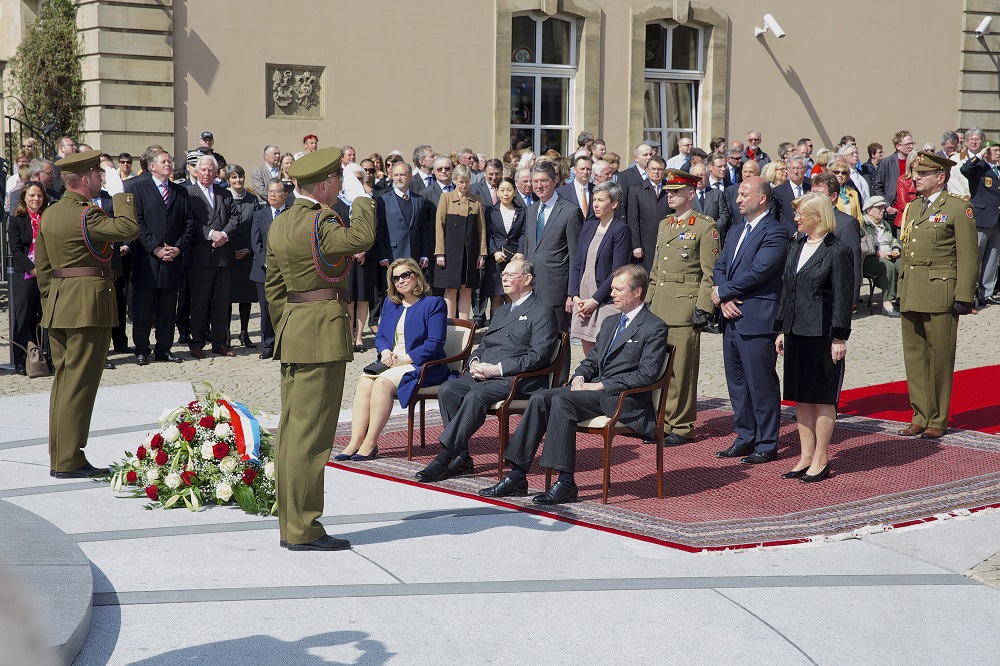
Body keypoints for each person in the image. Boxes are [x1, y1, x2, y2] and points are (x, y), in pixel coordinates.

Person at [479, 264, 668, 503]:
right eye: (612, 289)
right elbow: (592, 361)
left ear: (637, 291)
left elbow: (647, 375)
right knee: (541, 397)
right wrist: (580, 376)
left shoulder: (654, 326)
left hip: (626, 399)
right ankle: (517, 475)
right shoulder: (610, 322)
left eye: (618, 290)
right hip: (596, 393)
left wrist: (599, 385)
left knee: (561, 400)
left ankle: (566, 482)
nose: (612, 294)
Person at [265, 146, 376, 551]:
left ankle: (291, 523)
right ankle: (303, 528)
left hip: (295, 330)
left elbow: (274, 287)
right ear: (327, 184)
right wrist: (361, 195)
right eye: (337, 182)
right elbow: (361, 236)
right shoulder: (320, 220)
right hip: (321, 334)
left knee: (293, 431)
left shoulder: (281, 222)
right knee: (311, 436)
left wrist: (289, 326)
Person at [34, 151, 138, 478]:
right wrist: (122, 193)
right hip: (88, 307)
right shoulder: (86, 216)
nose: (101, 180)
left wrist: (53, 300)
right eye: (98, 174)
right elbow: (128, 227)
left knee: (64, 383)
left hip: (60, 306)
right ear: (84, 179)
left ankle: (60, 456)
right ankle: (70, 460)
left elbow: (43, 269)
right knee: (80, 383)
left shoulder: (50, 214)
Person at [415, 259, 559, 483]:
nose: (504, 279)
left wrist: (497, 370)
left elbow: (538, 356)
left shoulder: (542, 311)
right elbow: (484, 345)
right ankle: (462, 457)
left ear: (528, 279)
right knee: (449, 389)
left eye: (511, 275)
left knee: (475, 396)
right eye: (503, 275)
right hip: (485, 373)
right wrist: (473, 362)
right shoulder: (502, 310)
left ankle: (443, 458)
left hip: (515, 378)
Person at [896, 152, 979, 440]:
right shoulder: (914, 207)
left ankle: (938, 418)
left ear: (940, 177)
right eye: (916, 174)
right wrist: (900, 287)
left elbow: (968, 255)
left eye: (922, 174)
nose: (916, 178)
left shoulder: (957, 208)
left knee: (940, 357)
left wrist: (964, 295)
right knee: (915, 357)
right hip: (912, 290)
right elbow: (907, 252)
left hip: (940, 291)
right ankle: (920, 414)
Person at [774, 191, 854, 483]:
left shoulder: (838, 250)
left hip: (823, 334)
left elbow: (844, 298)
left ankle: (821, 458)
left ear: (818, 217)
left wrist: (839, 337)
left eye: (800, 214)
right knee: (802, 398)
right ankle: (805, 455)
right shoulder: (796, 246)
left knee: (822, 397)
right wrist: (781, 328)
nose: (795, 218)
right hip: (796, 331)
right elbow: (787, 290)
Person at [338, 258, 449, 461]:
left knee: (382, 383)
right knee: (364, 382)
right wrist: (384, 352)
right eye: (396, 278)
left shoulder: (434, 303)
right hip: (391, 362)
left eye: (406, 275)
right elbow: (381, 336)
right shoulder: (391, 303)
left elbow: (435, 342)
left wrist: (406, 358)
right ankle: (355, 441)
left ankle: (370, 443)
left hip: (421, 364)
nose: (401, 281)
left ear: (417, 276)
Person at [712, 176, 789, 464]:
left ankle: (767, 442)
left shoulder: (776, 232)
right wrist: (724, 297)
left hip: (757, 318)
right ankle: (745, 436)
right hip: (731, 316)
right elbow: (720, 266)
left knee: (761, 383)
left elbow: (759, 272)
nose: (738, 199)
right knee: (738, 383)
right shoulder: (734, 231)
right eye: (738, 194)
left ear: (762, 198)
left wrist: (722, 293)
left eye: (744, 194)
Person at [644, 170, 719, 447]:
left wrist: (704, 307)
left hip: (685, 307)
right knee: (659, 368)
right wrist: (648, 300)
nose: (670, 196)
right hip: (660, 305)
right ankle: (661, 421)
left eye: (676, 192)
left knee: (681, 370)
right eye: (668, 192)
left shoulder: (703, 226)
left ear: (691, 193)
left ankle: (683, 425)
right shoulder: (666, 224)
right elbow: (655, 269)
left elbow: (709, 273)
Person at [125, 150, 195, 365]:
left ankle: (164, 348)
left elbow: (189, 224)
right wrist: (155, 248)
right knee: (144, 308)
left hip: (173, 259)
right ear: (152, 167)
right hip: (147, 260)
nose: (169, 164)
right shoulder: (137, 189)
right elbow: (137, 222)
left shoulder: (180, 192)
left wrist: (178, 248)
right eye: (164, 161)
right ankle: (142, 349)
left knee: (167, 308)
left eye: (170, 161)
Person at [523, 161, 584, 383]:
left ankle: (559, 383)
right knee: (533, 336)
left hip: (557, 289)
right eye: (535, 181)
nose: (539, 186)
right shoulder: (530, 211)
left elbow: (576, 256)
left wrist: (571, 293)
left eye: (544, 181)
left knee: (559, 336)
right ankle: (536, 380)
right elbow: (530, 249)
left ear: (555, 182)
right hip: (532, 287)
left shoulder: (570, 211)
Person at [569, 181, 632, 356]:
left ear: (614, 203)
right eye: (594, 199)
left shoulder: (621, 230)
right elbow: (577, 264)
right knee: (588, 356)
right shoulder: (588, 227)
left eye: (601, 200)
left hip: (604, 300)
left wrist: (595, 300)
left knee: (604, 353)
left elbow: (617, 272)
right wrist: (575, 296)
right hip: (582, 299)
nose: (595, 204)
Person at [184, 155, 238, 358]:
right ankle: (196, 342)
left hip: (222, 256)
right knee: (199, 301)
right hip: (200, 256)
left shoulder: (224, 193)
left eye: (211, 170)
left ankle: (220, 342)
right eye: (203, 170)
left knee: (221, 302)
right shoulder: (189, 193)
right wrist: (210, 233)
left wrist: (224, 235)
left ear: (216, 173)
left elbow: (234, 217)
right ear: (196, 171)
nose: (207, 173)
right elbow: (189, 220)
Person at [6, 182, 50, 375]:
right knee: (23, 317)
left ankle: (45, 356)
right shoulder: (17, 220)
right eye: (32, 195)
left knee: (44, 316)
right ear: (24, 197)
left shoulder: (48, 218)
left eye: (39, 196)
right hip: (25, 274)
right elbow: (15, 250)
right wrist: (33, 270)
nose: (36, 199)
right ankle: (20, 359)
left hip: (46, 274)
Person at [433, 163, 487, 319]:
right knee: (450, 289)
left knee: (467, 288)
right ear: (454, 180)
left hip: (470, 253)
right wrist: (440, 253)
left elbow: (481, 228)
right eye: (461, 181)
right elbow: (439, 227)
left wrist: (482, 253)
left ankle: (464, 326)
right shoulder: (446, 198)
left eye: (467, 181)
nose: (464, 185)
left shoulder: (476, 200)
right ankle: (449, 325)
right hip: (450, 253)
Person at [338, 164, 378, 351]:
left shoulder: (367, 201)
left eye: (359, 178)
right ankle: (348, 336)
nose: (356, 182)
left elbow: (374, 229)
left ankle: (360, 338)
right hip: (345, 257)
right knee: (349, 298)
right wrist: (350, 249)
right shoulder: (337, 203)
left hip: (364, 257)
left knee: (362, 297)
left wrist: (363, 250)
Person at [959, 139, 1000, 307]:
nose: (998, 152)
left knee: (992, 257)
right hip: (983, 218)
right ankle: (969, 291)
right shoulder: (978, 168)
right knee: (975, 257)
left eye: (999, 150)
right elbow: (964, 169)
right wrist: (979, 155)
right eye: (994, 150)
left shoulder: (998, 170)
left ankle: (987, 293)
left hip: (997, 220)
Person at [811, 172, 863, 303]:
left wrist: (851, 298)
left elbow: (853, 264)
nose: (813, 199)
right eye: (812, 194)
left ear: (833, 196)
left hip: (832, 296)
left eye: (819, 195)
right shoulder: (806, 221)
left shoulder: (846, 223)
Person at [224, 164, 261, 347]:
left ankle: (244, 333)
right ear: (228, 180)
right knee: (228, 297)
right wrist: (230, 250)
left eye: (240, 177)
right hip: (228, 253)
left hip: (247, 254)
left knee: (245, 297)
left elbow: (255, 227)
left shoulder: (252, 200)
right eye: (234, 177)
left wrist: (248, 248)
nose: (238, 181)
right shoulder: (222, 197)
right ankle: (226, 334)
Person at [249, 179, 285, 359]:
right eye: (270, 191)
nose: (272, 194)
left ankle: (285, 342)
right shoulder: (259, 215)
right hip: (263, 270)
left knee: (286, 307)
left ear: (284, 194)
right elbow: (255, 243)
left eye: (276, 191)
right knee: (266, 308)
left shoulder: (291, 213)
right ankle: (268, 344)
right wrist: (266, 262)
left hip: (287, 270)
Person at [483, 176, 526, 316]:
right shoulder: (490, 211)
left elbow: (524, 234)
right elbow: (487, 235)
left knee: (511, 295)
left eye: (509, 190)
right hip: (496, 260)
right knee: (496, 296)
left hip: (514, 260)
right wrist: (494, 252)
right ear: (497, 192)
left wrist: (520, 252)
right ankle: (494, 328)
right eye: (502, 190)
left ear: (515, 192)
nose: (506, 193)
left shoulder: (522, 211)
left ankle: (510, 329)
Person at [626, 156, 671, 274]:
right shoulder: (636, 190)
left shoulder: (671, 188)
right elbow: (633, 219)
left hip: (667, 239)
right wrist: (636, 245)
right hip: (646, 242)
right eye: (653, 169)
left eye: (660, 169)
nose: (656, 172)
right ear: (647, 170)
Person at [859, 195, 902, 316]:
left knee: (904, 264)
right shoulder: (862, 224)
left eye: (883, 207)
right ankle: (886, 303)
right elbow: (860, 246)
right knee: (886, 266)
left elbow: (893, 239)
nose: (883, 210)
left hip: (889, 255)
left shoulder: (885, 224)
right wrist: (877, 252)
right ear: (869, 210)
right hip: (869, 259)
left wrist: (895, 249)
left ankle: (901, 297)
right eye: (879, 208)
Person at [873, 130, 915, 223]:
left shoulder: (915, 162)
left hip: (912, 210)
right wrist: (887, 206)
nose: (911, 147)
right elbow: (878, 188)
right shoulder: (886, 163)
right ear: (898, 146)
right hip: (893, 212)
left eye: (912, 143)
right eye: (907, 144)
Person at [771, 155, 812, 234]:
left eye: (799, 168)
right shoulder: (778, 191)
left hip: (808, 233)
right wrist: (794, 233)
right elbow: (778, 216)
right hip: (787, 236)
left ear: (805, 169)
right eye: (793, 168)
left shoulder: (811, 189)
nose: (796, 172)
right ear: (788, 170)